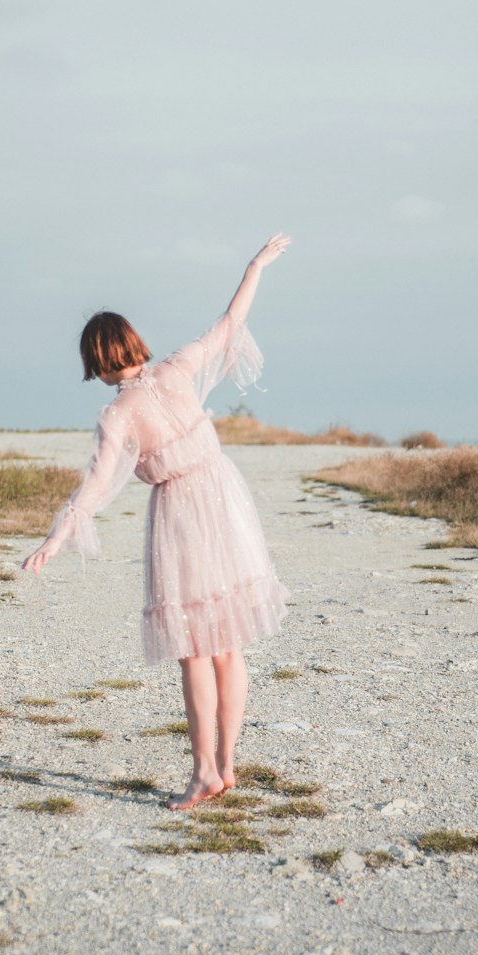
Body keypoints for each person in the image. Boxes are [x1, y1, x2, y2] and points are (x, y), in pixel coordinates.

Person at [22, 235, 291, 809]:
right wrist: (254, 267)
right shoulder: (178, 368)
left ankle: (203, 773)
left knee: (195, 646)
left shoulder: (117, 413)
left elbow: (96, 484)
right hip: (223, 496)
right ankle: (228, 764)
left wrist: (56, 537)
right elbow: (229, 321)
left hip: (179, 514)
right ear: (136, 344)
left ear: (96, 364)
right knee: (228, 646)